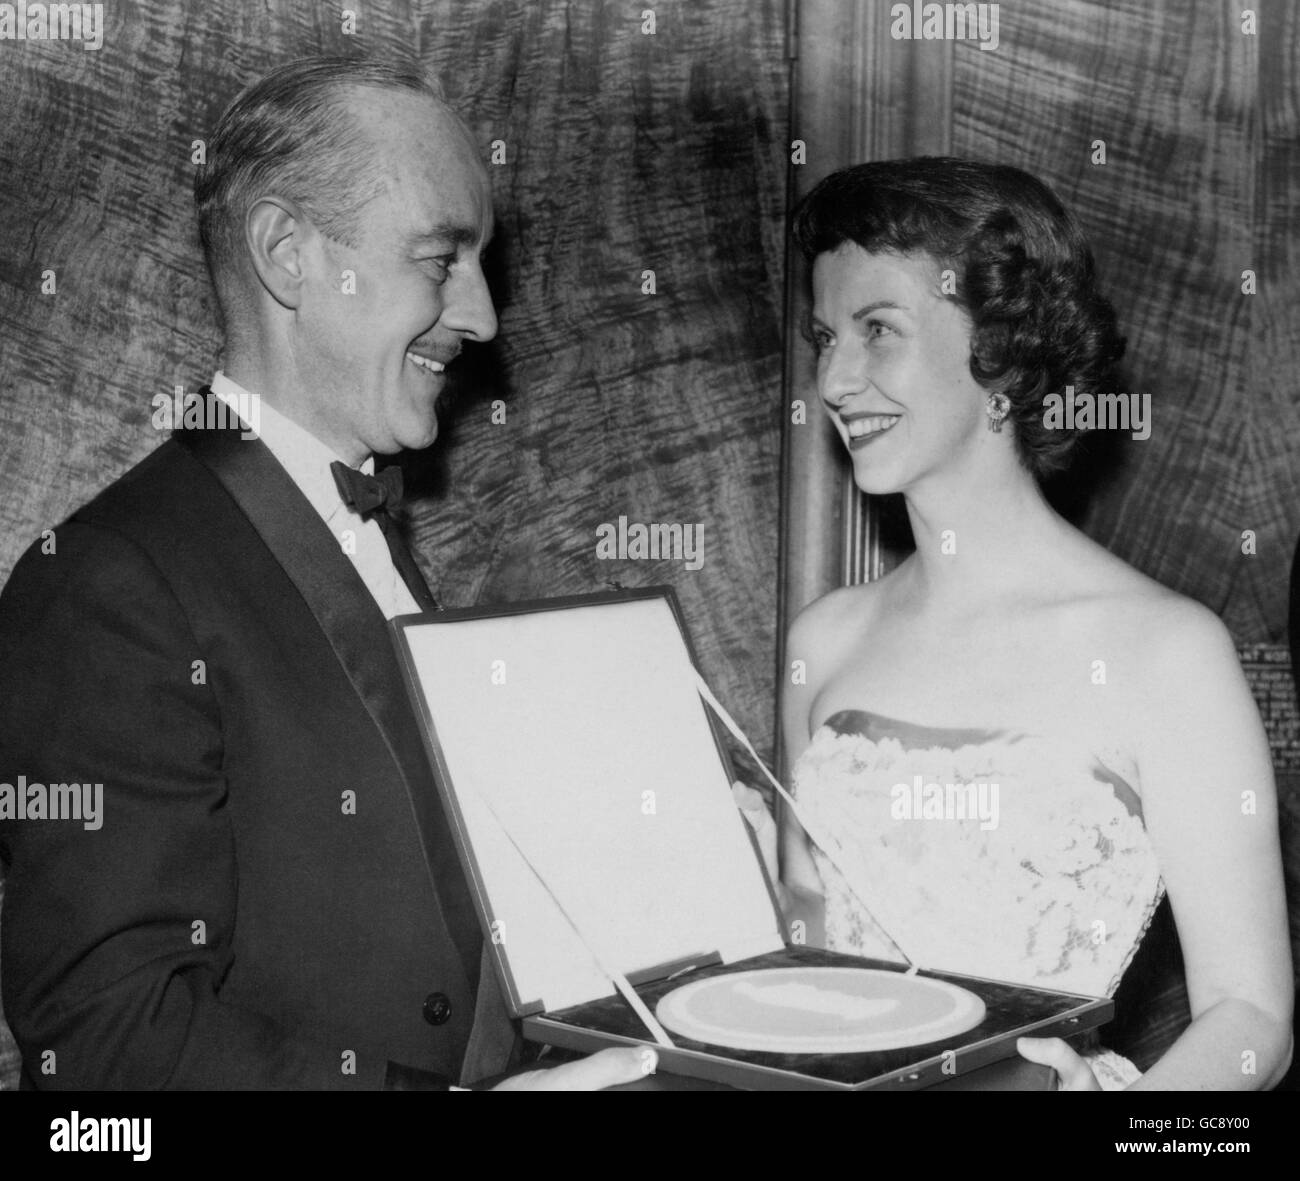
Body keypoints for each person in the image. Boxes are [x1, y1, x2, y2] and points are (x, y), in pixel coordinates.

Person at [0, 55, 645, 1092]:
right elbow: (105, 1044)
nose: (482, 317)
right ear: (287, 255)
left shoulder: (366, 527)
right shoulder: (103, 585)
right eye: (441, 259)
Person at [739, 158, 1293, 1089]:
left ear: (1002, 349)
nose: (834, 378)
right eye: (826, 336)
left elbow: (1254, 1023)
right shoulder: (822, 640)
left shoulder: (1165, 650)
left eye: (878, 331)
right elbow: (809, 945)